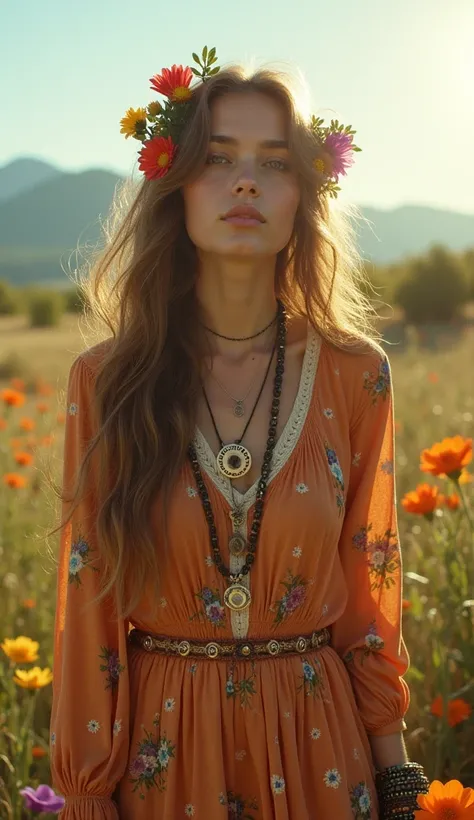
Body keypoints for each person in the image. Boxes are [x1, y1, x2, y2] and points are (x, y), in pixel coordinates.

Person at [49, 47, 429, 819]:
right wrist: (88, 796)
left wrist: (397, 782)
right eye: (219, 159)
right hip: (165, 759)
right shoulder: (108, 381)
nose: (246, 181)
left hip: (321, 745)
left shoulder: (356, 376)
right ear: (176, 188)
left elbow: (368, 592)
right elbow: (89, 606)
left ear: (304, 197)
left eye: (275, 162)